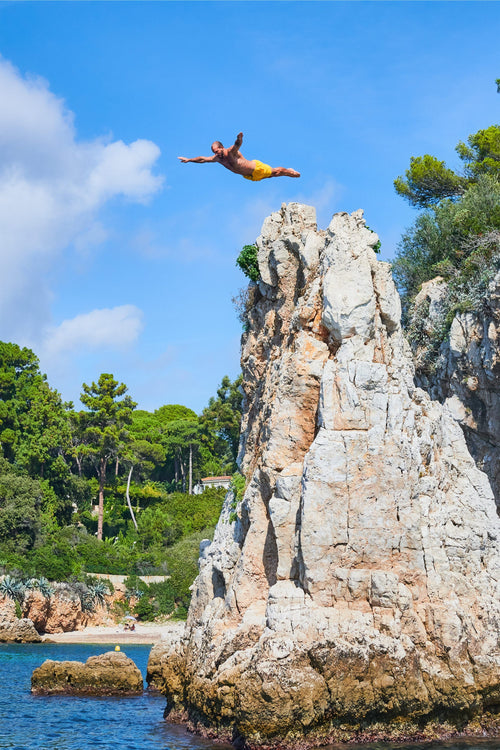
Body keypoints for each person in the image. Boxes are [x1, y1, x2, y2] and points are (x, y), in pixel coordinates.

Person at [178, 132, 300, 181]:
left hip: (255, 168)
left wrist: (239, 139)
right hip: (248, 175)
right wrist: (189, 160)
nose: (216, 154)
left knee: (276, 171)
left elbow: (237, 145)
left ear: (222, 147)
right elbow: (202, 159)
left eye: (217, 151)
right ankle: (288, 172)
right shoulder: (217, 159)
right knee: (272, 176)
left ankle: (290, 171)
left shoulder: (230, 151)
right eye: (214, 152)